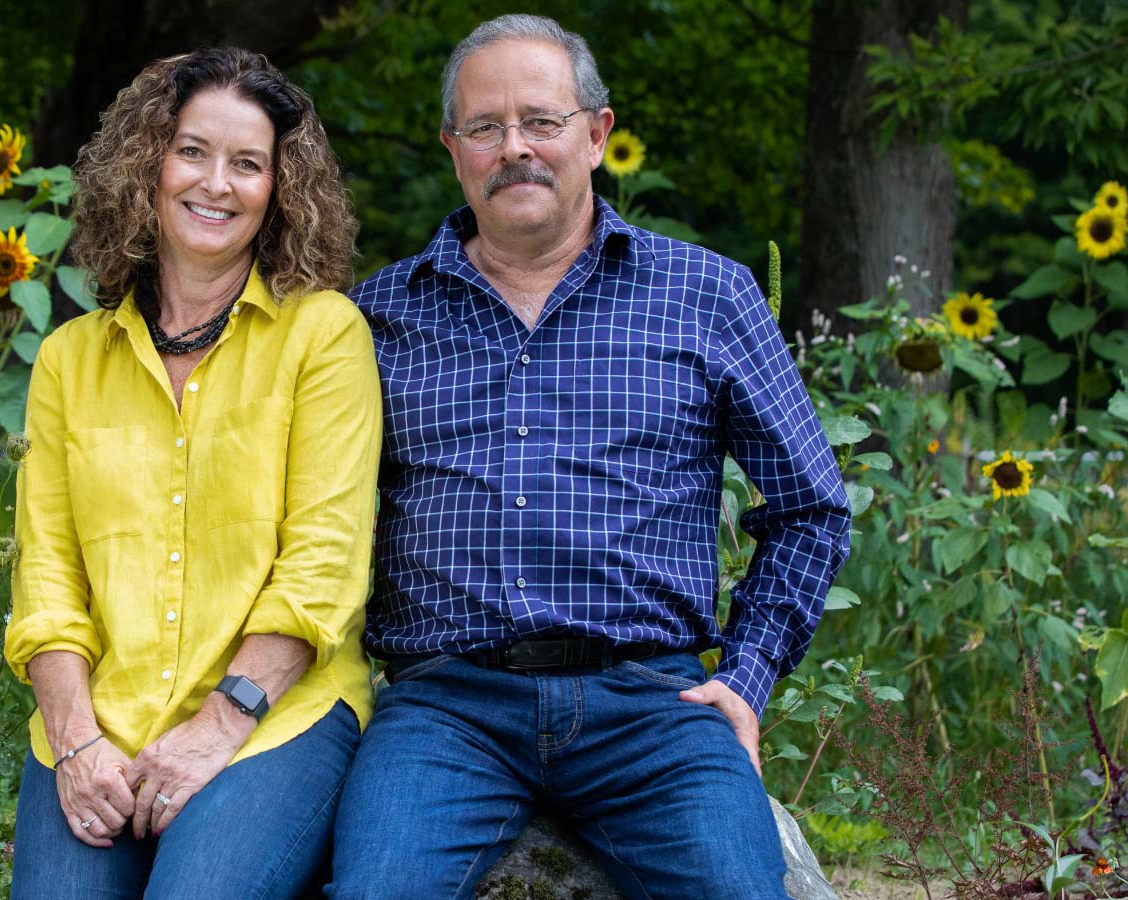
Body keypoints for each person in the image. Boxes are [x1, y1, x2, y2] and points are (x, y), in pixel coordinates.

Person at [328, 14, 852, 900]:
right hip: (445, 707)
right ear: (453, 149)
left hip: (652, 704)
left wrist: (749, 678)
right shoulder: (375, 317)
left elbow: (810, 508)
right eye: (486, 129)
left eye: (542, 121)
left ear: (598, 134)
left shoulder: (707, 295)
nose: (515, 149)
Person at [3, 47, 380, 900]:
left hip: (275, 722)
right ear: (148, 165)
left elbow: (323, 566)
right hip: (99, 725)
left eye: (248, 163)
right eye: (193, 151)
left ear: (279, 189)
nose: (217, 183)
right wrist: (75, 741)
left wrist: (217, 728)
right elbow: (47, 578)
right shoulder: (68, 359)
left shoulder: (322, 336)